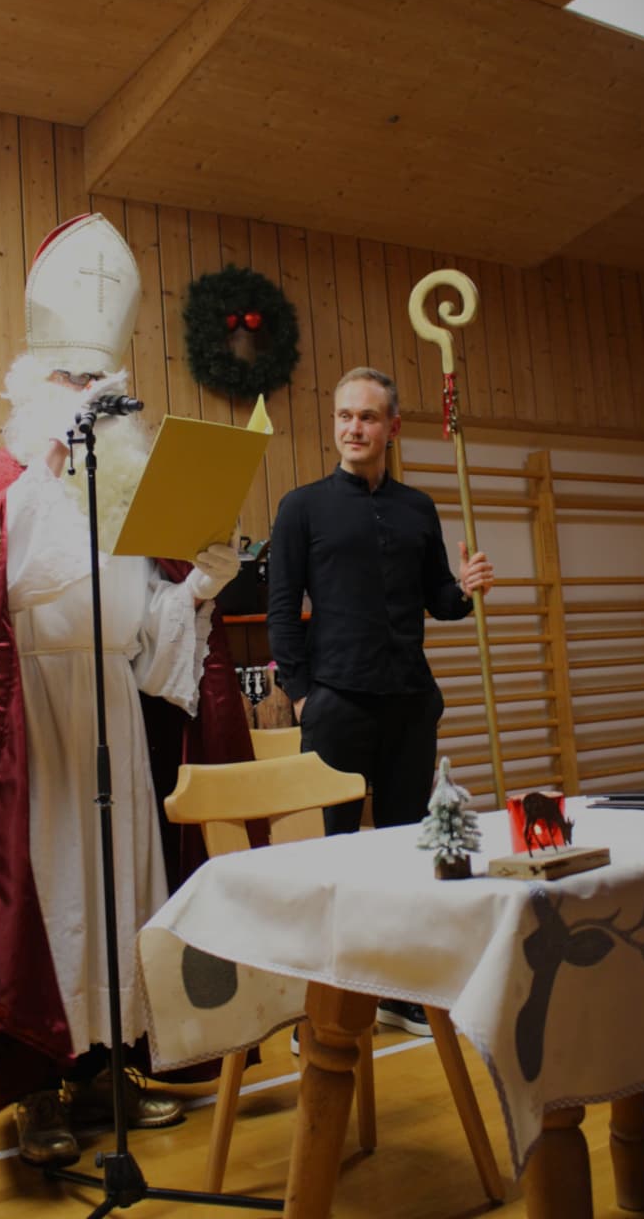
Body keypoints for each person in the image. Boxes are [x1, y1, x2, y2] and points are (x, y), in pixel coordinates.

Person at [0, 214, 246, 1167]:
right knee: (43, 901)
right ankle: (36, 1091)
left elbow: (147, 640)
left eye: (102, 384)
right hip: (35, 727)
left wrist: (200, 586)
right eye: (69, 381)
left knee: (120, 895)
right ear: (28, 386)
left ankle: (106, 1068)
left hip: (112, 717)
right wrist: (52, 465)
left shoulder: (133, 496)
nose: (90, 398)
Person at [267, 365, 494, 1036]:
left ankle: (398, 992)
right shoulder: (301, 507)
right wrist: (301, 697)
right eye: (344, 416)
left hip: (409, 704)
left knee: (404, 853)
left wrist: (466, 588)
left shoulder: (416, 508)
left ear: (391, 427)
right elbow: (282, 610)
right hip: (335, 703)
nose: (353, 428)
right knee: (337, 859)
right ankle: (325, 1015)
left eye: (367, 417)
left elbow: (439, 600)